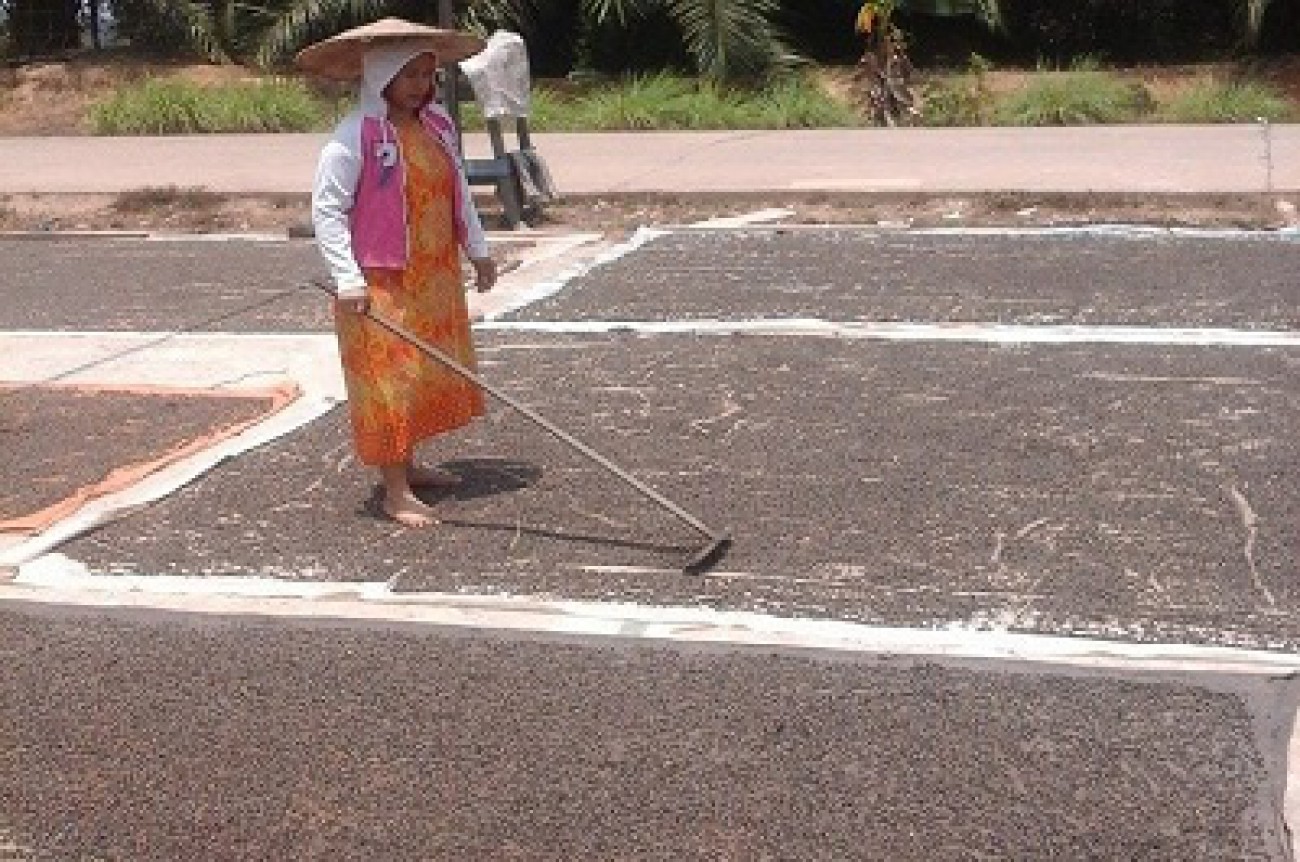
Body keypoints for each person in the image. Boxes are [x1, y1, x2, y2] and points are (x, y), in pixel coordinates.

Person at [298, 19, 498, 526]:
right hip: (378, 283)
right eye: (409, 75)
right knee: (388, 384)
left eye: (427, 75)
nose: (421, 86)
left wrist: (478, 249)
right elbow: (328, 210)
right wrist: (347, 278)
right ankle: (394, 491)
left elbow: (459, 192)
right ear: (381, 77)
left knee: (419, 376)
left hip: (431, 277)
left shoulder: (437, 128)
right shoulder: (353, 137)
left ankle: (410, 465)